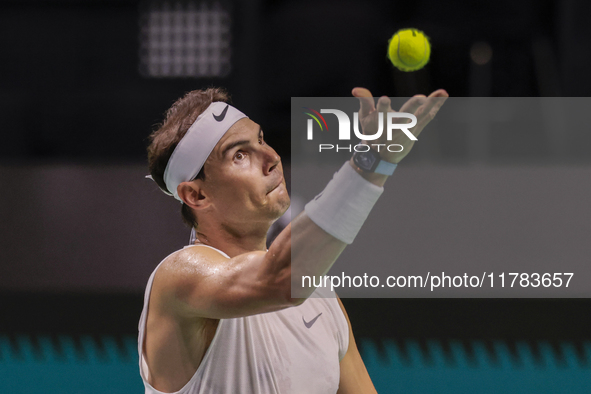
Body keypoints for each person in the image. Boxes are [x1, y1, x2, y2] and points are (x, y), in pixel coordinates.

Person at [139, 86, 448, 393]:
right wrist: (371, 163)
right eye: (240, 155)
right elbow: (280, 279)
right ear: (197, 194)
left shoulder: (320, 297)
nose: (271, 157)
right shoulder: (179, 278)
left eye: (261, 139)